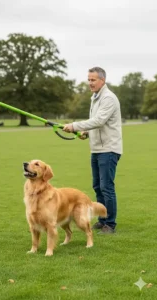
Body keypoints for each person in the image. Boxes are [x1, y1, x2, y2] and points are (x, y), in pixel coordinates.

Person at [63, 67, 123, 234]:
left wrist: (74, 125)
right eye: (88, 79)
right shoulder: (95, 97)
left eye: (93, 80)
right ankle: (102, 219)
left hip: (109, 149)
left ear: (102, 81)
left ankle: (110, 224)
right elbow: (96, 123)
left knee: (106, 187)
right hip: (96, 149)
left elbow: (99, 120)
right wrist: (86, 133)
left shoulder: (109, 98)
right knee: (97, 186)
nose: (90, 83)